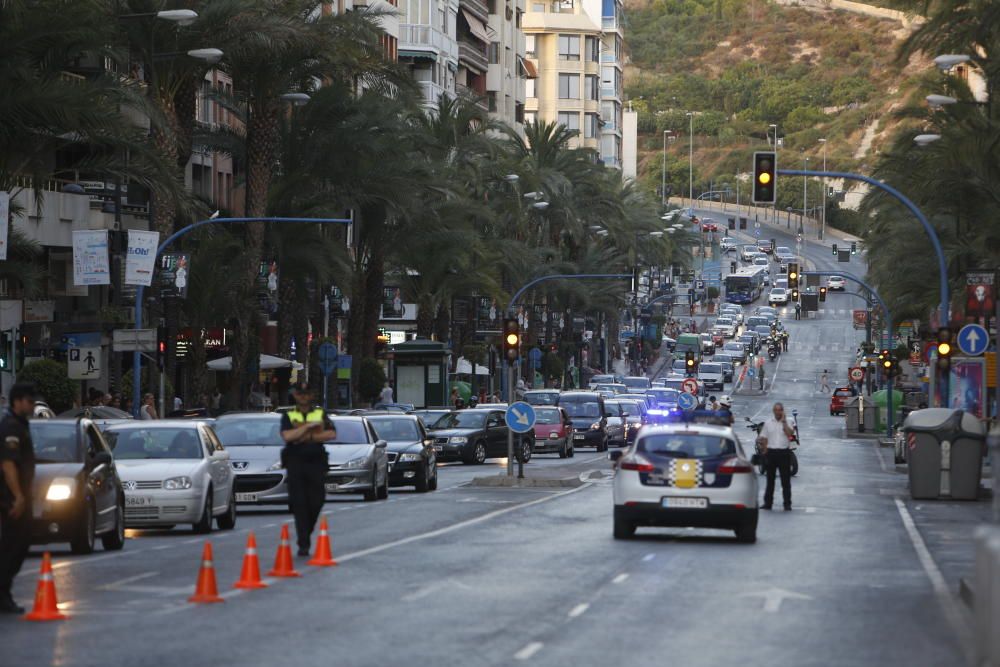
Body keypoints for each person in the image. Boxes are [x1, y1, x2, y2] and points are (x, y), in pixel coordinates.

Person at [280, 383, 337, 556]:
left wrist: (307, 436)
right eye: (300, 394)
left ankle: (307, 531)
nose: (304, 397)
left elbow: (331, 434)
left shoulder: (319, 413)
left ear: (311, 395)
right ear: (295, 395)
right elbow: (287, 436)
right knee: (299, 504)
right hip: (295, 462)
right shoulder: (289, 415)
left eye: (307, 393)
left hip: (316, 463)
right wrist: (308, 427)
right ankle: (303, 541)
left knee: (317, 500)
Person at [0, 383, 37, 613]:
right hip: (10, 498)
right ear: (18, 401)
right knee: (13, 546)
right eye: (29, 401)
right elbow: (8, 464)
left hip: (18, 496)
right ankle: (2, 593)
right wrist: (18, 496)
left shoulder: (20, 425)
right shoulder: (11, 427)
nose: (32, 406)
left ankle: (4, 591)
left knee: (18, 545)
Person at [758, 402, 796, 511]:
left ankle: (787, 504)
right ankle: (768, 503)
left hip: (784, 453)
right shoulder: (768, 423)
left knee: (785, 481)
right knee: (770, 480)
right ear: (773, 411)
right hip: (771, 453)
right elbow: (763, 437)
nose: (778, 412)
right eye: (776, 410)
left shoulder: (789, 421)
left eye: (780, 410)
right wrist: (764, 450)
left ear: (783, 411)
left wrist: (784, 422)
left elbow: (790, 434)